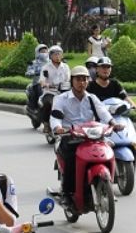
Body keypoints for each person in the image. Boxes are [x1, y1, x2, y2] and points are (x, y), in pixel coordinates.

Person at [50, 66, 121, 199]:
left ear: (88, 81)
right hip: (70, 136)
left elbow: (103, 113)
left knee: (109, 149)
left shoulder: (92, 98)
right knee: (71, 158)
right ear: (72, 81)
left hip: (92, 136)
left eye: (84, 79)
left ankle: (110, 181)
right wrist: (58, 128)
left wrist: (113, 123)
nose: (81, 83)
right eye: (78, 79)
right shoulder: (61, 99)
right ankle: (67, 193)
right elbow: (55, 117)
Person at [25, 43, 48, 112]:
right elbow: (28, 71)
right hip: (37, 82)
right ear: (37, 52)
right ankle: (34, 108)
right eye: (42, 51)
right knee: (38, 89)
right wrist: (32, 72)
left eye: (45, 51)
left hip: (50, 82)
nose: (44, 53)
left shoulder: (50, 62)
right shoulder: (33, 63)